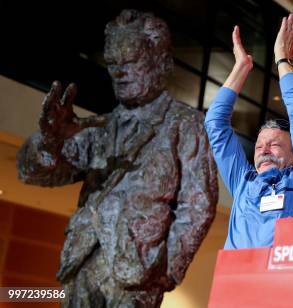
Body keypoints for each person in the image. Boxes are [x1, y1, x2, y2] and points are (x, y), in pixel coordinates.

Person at [16, 10, 218, 306]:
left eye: (131, 60)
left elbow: (198, 205)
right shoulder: (101, 126)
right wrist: (51, 142)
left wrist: (165, 272)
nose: (120, 72)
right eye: (112, 63)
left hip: (138, 271)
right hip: (81, 261)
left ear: (160, 61)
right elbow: (32, 172)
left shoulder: (186, 124)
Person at [204, 14, 293, 249]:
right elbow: (215, 124)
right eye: (259, 146)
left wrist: (282, 59)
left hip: (286, 284)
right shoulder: (243, 182)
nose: (264, 151)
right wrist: (240, 68)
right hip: (236, 282)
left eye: (275, 145)